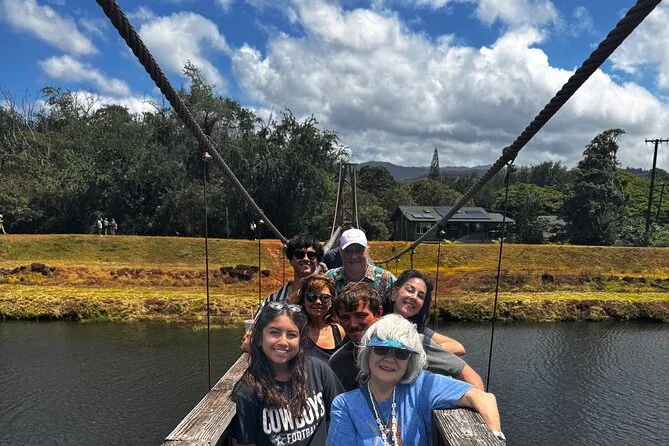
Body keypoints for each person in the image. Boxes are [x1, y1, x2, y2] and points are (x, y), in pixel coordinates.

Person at [327, 314, 504, 445]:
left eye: (401, 353)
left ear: (410, 360)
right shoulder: (345, 405)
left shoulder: (422, 386)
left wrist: (494, 438)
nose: (390, 358)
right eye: (381, 349)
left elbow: (483, 398)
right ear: (368, 353)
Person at [328, 282, 483, 392]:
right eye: (345, 318)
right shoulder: (337, 362)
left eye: (361, 316)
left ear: (378, 313)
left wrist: (475, 416)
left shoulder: (411, 343)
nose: (353, 324)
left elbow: (468, 375)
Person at [229, 302, 344, 446]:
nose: (283, 342)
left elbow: (341, 415)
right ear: (259, 338)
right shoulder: (247, 391)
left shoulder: (319, 370)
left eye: (291, 335)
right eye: (274, 332)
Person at [241, 234, 324, 352]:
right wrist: (250, 340)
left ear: (318, 261)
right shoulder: (273, 300)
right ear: (290, 260)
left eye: (311, 255)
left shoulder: (327, 298)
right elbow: (255, 333)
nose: (306, 259)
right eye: (299, 254)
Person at [384, 269, 466, 356]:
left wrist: (417, 351)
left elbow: (458, 347)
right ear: (394, 294)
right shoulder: (375, 321)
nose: (414, 297)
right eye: (410, 290)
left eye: (420, 296)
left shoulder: (419, 330)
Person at [326, 228, 395, 299]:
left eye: (359, 251)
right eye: (348, 251)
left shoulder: (386, 280)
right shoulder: (330, 278)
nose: (354, 256)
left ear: (368, 251)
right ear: (340, 253)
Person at [294, 275, 345, 363]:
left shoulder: (339, 331)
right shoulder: (296, 330)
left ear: (331, 301)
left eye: (325, 298)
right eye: (311, 297)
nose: (318, 302)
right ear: (303, 301)